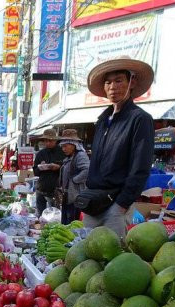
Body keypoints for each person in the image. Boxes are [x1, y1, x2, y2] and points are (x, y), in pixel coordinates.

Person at [82, 58, 155, 237]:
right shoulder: (102, 121)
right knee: (85, 257)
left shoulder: (139, 119)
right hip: (93, 203)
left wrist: (122, 204)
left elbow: (141, 167)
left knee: (111, 259)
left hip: (116, 205)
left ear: (132, 82)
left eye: (118, 80)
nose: (112, 86)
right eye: (108, 82)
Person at [58, 129, 90, 224]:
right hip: (68, 196)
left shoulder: (80, 155)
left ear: (73, 145)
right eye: (62, 146)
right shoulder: (69, 157)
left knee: (73, 222)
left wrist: (74, 180)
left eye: (65, 146)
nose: (63, 149)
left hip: (77, 196)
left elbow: (87, 170)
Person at [33, 128, 64, 215]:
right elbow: (35, 171)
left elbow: (67, 170)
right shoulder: (41, 154)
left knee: (54, 215)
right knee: (40, 214)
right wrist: (40, 168)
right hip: (41, 188)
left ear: (55, 140)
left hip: (55, 189)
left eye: (50, 141)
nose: (48, 143)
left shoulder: (62, 153)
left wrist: (58, 167)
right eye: (46, 141)